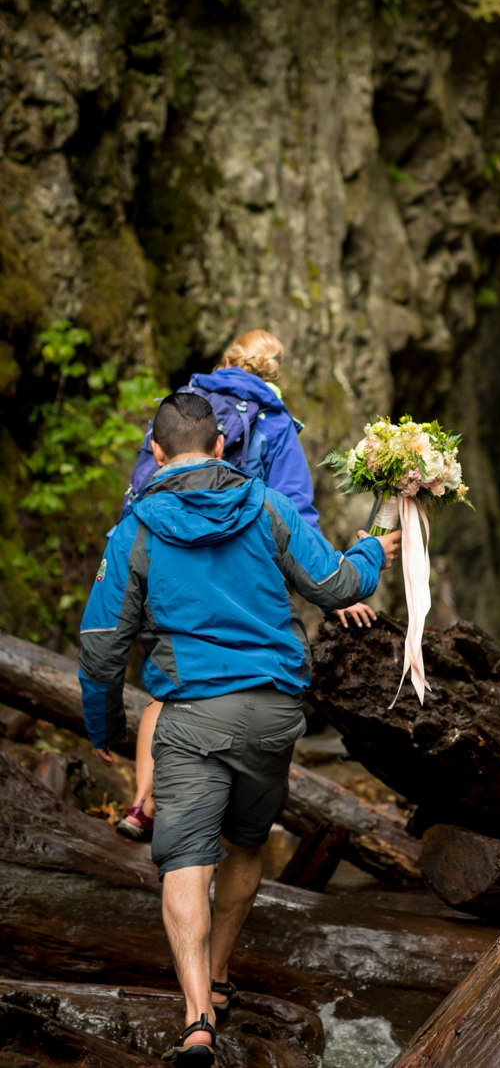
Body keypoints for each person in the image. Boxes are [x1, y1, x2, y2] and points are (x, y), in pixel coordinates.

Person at [79, 391, 401, 1064]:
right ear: (223, 446)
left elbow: (104, 646)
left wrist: (102, 725)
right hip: (276, 713)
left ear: (156, 453)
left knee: (186, 861)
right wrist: (371, 550)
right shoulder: (268, 506)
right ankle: (221, 973)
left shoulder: (136, 527)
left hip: (193, 716)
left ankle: (198, 1019)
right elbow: (339, 585)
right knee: (248, 843)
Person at [117, 329, 373, 842]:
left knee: (165, 684)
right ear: (273, 371)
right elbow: (294, 510)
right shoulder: (274, 422)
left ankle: (143, 803)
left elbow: (147, 476)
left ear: (226, 359)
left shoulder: (184, 406)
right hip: (243, 567)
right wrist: (332, 588)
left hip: (166, 552)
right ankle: (225, 821)